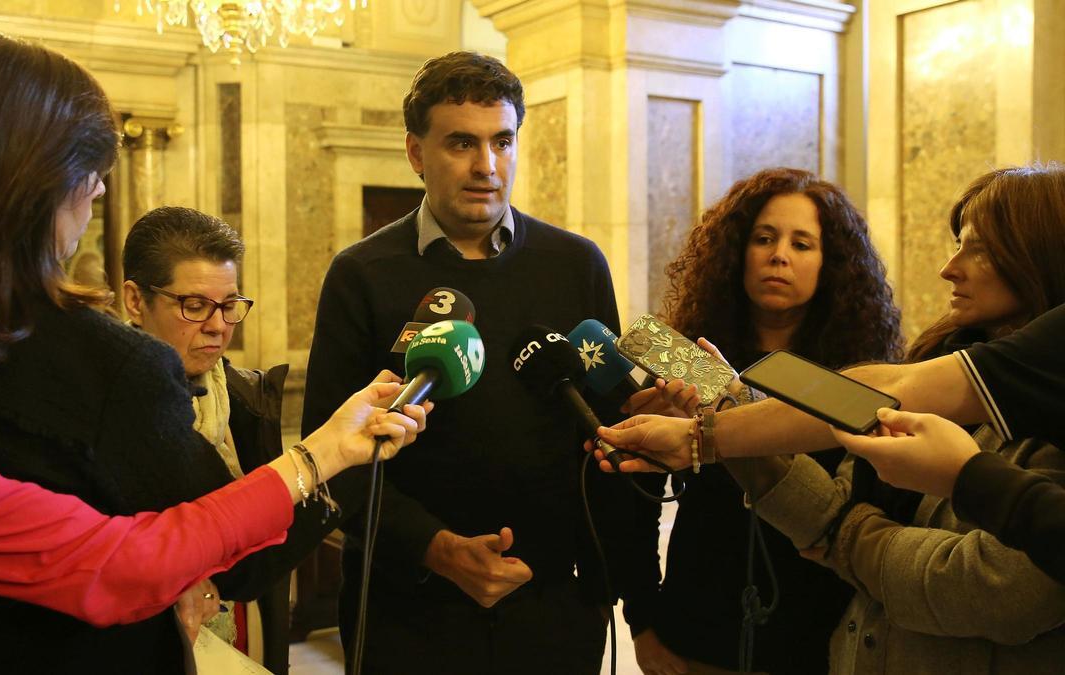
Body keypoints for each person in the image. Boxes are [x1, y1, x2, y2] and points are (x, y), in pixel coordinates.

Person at [0, 101, 428, 674]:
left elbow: (126, 558)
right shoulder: (114, 379)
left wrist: (332, 450)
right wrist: (325, 456)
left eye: (230, 306)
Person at [604, 166, 1065, 671]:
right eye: (763, 238)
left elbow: (996, 589)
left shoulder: (890, 377)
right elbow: (831, 504)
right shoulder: (934, 359)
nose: (949, 268)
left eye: (978, 248)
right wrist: (725, 412)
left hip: (811, 635)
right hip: (724, 628)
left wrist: (848, 535)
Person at [302, 51, 646, 673]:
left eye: (502, 141)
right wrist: (434, 550)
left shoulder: (576, 266)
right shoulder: (361, 275)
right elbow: (330, 456)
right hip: (407, 610)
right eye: (461, 143)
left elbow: (608, 438)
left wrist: (614, 595)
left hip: (551, 607)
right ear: (416, 153)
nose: (486, 166)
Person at [622, 168, 903, 675]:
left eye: (803, 244)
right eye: (765, 239)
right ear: (736, 253)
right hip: (696, 634)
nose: (780, 256)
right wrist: (642, 620)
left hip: (821, 637)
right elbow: (633, 507)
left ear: (832, 263)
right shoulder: (686, 364)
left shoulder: (860, 379)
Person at [121, 205, 351, 672]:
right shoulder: (104, 403)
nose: (217, 325)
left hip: (248, 634)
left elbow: (259, 554)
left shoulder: (246, 396)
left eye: (229, 306)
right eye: (194, 305)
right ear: (134, 299)